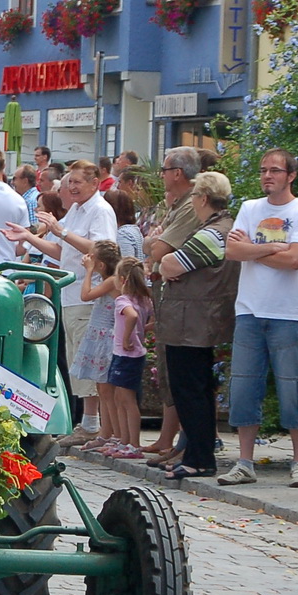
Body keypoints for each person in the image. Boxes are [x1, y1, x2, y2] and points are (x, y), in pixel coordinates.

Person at [219, 148, 298, 488]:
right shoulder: (250, 208)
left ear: (290, 175)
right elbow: (233, 251)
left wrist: (255, 248)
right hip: (249, 308)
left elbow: (296, 261)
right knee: (245, 386)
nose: (267, 176)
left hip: (288, 311)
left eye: (275, 171)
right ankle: (244, 461)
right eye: (263, 170)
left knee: (294, 387)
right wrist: (274, 248)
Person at [15, 160, 117, 442]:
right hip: (70, 293)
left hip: (90, 294)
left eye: (77, 182)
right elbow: (61, 251)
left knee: (89, 360)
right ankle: (88, 423)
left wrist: (61, 231)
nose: (71, 187)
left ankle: (92, 424)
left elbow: (103, 250)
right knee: (76, 360)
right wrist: (28, 236)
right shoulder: (76, 209)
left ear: (95, 184)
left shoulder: (100, 210)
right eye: (69, 181)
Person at [157, 171, 240, 479]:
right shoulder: (223, 228)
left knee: (190, 389)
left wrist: (169, 266)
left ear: (203, 198)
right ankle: (197, 455)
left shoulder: (212, 232)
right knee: (197, 389)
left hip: (191, 323)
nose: (191, 202)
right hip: (193, 321)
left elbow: (170, 263)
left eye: (193, 196)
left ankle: (200, 458)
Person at [141, 146, 203, 465]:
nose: (161, 176)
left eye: (164, 170)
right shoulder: (176, 204)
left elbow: (160, 247)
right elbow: (153, 246)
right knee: (166, 367)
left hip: (183, 297)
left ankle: (182, 442)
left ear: (177, 173)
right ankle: (168, 437)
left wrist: (154, 242)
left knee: (178, 369)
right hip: (166, 291)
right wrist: (153, 243)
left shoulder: (191, 204)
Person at [67, 240, 122, 453]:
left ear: (100, 265)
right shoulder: (109, 280)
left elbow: (85, 295)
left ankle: (115, 434)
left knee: (108, 391)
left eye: (92, 258)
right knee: (102, 388)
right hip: (99, 335)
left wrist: (88, 272)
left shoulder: (111, 281)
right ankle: (106, 432)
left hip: (106, 338)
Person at [106, 257, 152, 458]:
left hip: (126, 354)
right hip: (128, 354)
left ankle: (133, 443)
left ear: (123, 279)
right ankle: (124, 440)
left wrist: (127, 337)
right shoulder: (145, 300)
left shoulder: (123, 301)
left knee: (127, 399)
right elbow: (151, 319)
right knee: (119, 397)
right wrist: (143, 331)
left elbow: (131, 316)